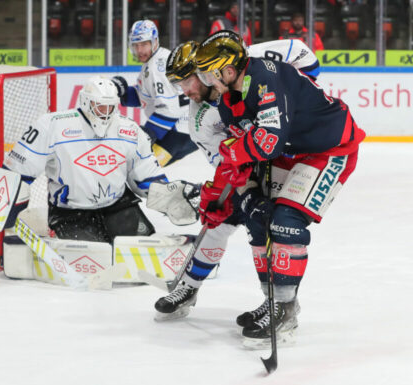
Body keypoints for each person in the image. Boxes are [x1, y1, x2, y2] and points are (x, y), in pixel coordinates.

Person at [193, 30, 365, 343]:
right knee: (258, 217)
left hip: (330, 148)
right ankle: (273, 301)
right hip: (292, 151)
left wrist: (231, 151)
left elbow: (267, 142)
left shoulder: (265, 79)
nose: (206, 81)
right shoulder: (229, 97)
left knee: (286, 222)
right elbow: (242, 156)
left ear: (228, 70)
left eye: (209, 74)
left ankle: (286, 309)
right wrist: (218, 199)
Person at [154, 35, 322, 322]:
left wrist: (300, 89)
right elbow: (225, 162)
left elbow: (301, 51)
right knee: (218, 220)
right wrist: (239, 193)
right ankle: (189, 287)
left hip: (283, 152)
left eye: (186, 81)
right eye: (177, 85)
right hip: (247, 163)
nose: (184, 91)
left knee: (271, 226)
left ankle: (278, 305)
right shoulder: (199, 121)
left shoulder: (245, 61)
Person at [2, 76, 171, 243]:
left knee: (139, 257)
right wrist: (3, 204)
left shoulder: (129, 129)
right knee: (95, 262)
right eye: (100, 107)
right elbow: (19, 168)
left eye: (110, 107)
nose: (105, 113)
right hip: (70, 212)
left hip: (119, 206)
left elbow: (146, 173)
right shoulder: (52, 125)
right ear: (86, 102)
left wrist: (170, 197)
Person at [110, 20, 197, 167]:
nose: (140, 50)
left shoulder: (158, 66)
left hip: (180, 130)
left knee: (143, 167)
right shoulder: (153, 62)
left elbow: (169, 109)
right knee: (144, 169)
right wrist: (124, 93)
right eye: (136, 46)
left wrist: (147, 135)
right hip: (181, 128)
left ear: (154, 42)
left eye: (144, 44)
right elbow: (146, 97)